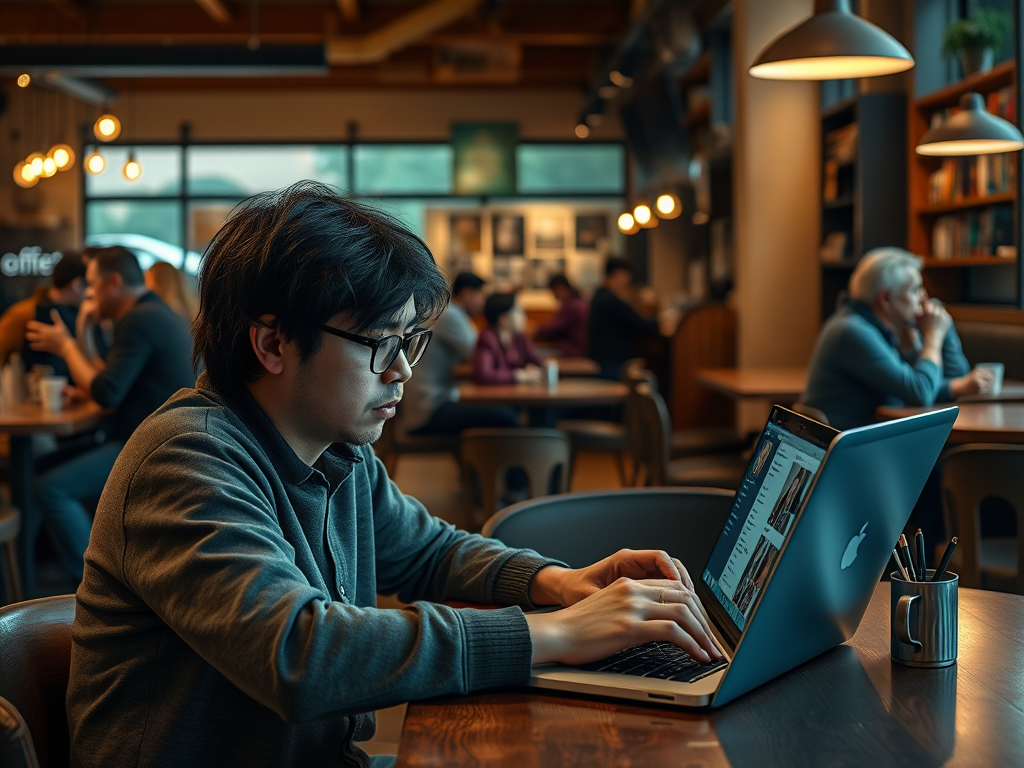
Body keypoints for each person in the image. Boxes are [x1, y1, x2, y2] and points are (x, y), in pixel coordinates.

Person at [66, 182, 720, 768]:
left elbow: (429, 550)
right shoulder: (185, 457)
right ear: (271, 344)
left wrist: (559, 583)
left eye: (413, 341)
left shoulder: (336, 450)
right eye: (382, 341)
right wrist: (553, 634)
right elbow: (300, 654)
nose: (402, 369)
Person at [24, 246, 196, 583]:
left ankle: (91, 584)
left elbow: (105, 392)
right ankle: (29, 573)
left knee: (51, 489)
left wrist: (66, 346)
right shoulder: (150, 311)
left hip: (154, 450)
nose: (88, 293)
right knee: (38, 468)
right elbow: (106, 379)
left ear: (113, 282)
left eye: (92, 284)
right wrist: (84, 332)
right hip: (154, 438)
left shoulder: (138, 319)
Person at [802, 247, 991, 431]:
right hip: (846, 452)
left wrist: (943, 326)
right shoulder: (853, 331)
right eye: (915, 290)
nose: (923, 298)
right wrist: (934, 336)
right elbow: (920, 393)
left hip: (860, 440)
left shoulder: (868, 325)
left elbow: (943, 379)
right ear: (886, 298)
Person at [401, 272, 519, 434]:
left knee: (504, 412)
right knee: (507, 417)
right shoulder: (451, 316)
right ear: (467, 293)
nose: (483, 301)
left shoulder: (453, 314)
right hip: (430, 408)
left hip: (435, 401)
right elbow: (479, 355)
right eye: (480, 295)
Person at [0, 249, 87, 368]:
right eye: (90, 285)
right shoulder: (23, 314)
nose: (91, 293)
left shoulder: (79, 314)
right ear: (76, 285)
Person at [587, 258, 661, 380]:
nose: (628, 282)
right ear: (619, 274)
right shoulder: (610, 300)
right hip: (613, 364)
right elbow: (645, 325)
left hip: (603, 359)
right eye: (627, 277)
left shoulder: (600, 297)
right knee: (650, 378)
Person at [472, 292, 544, 385]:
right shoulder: (487, 338)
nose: (524, 316)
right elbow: (483, 375)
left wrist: (533, 370)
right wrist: (519, 375)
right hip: (493, 397)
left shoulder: (520, 337)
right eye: (518, 312)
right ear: (503, 318)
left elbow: (538, 362)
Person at [533, 274, 589, 358]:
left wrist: (535, 329)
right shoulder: (579, 302)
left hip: (573, 351)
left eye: (554, 291)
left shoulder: (572, 306)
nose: (554, 296)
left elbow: (553, 328)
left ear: (561, 289)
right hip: (581, 349)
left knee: (534, 354)